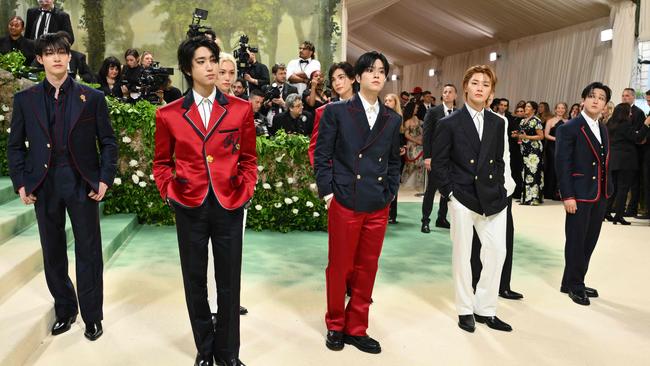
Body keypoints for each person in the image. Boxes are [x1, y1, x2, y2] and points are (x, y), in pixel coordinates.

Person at [7, 32, 117, 341]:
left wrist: (104, 178)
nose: (57, 57)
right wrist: (20, 182)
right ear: (40, 59)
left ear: (69, 56)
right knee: (53, 252)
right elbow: (15, 146)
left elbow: (108, 142)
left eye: (62, 52)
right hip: (44, 183)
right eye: (50, 53)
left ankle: (93, 316)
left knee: (89, 251)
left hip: (81, 182)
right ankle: (66, 309)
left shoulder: (92, 98)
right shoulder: (25, 100)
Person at [153, 36, 256, 366]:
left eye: (213, 59)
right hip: (188, 205)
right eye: (201, 61)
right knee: (194, 281)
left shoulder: (240, 109)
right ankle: (204, 348)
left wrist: (246, 189)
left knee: (229, 283)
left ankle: (228, 354)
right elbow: (160, 163)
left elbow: (250, 159)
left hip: (229, 205)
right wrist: (170, 192)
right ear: (187, 68)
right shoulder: (168, 114)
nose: (211, 66)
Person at [314, 51, 401, 354]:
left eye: (382, 71)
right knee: (339, 267)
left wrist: (389, 193)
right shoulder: (337, 112)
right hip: (345, 201)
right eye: (370, 70)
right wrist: (328, 194)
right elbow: (322, 155)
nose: (377, 75)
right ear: (359, 76)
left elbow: (393, 162)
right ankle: (336, 324)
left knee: (368, 268)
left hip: (377, 203)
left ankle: (357, 327)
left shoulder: (392, 118)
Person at [431, 64, 511, 333]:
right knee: (463, 254)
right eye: (475, 83)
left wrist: (500, 187)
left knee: (497, 251)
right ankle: (465, 309)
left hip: (493, 198)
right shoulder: (448, 123)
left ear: (492, 91)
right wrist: (451, 194)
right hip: (463, 196)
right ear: (465, 87)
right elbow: (440, 164)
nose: (480, 88)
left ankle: (485, 308)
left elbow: (499, 160)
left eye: (486, 85)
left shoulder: (498, 123)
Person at [556, 82, 613, 306]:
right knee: (576, 240)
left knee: (589, 240)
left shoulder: (603, 128)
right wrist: (567, 195)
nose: (596, 100)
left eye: (601, 98)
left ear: (605, 105)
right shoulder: (569, 128)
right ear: (583, 100)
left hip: (599, 194)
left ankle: (570, 280)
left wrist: (609, 190)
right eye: (591, 96)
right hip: (578, 194)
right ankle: (576, 284)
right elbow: (563, 164)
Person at [470, 93, 523, 301]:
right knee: (477, 239)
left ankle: (503, 284)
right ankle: (475, 282)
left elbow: (505, 155)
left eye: (488, 89)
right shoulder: (463, 119)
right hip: (475, 190)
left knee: (505, 237)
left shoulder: (502, 120)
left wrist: (507, 184)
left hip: (502, 188)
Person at [606, 103, 650, 225]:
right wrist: (646, 124)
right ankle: (619, 216)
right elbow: (638, 138)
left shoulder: (610, 123)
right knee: (623, 188)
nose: (631, 113)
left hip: (614, 159)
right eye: (629, 111)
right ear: (625, 113)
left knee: (613, 187)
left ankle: (606, 212)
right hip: (626, 160)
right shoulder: (625, 124)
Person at [421, 83, 456, 232]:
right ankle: (425, 220)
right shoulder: (433, 112)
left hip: (451, 159)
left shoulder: (458, 113)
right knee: (431, 190)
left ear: (455, 96)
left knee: (447, 189)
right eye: (445, 92)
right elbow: (427, 135)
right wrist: (427, 156)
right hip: (435, 158)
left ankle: (441, 218)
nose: (447, 94)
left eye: (450, 92)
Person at [308, 61, 356, 166]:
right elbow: (315, 148)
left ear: (352, 79)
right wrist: (324, 175)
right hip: (336, 175)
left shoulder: (367, 108)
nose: (337, 83)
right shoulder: (323, 111)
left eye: (341, 77)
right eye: (333, 79)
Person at [517, 101, 544, 205]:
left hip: (534, 150)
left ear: (534, 109)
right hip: (524, 149)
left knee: (532, 172)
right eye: (526, 106)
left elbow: (541, 136)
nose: (526, 108)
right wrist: (517, 135)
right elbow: (522, 134)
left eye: (528, 106)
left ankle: (533, 198)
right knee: (524, 172)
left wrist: (526, 137)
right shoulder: (523, 120)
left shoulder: (536, 120)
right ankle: (525, 196)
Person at [384, 93, 405, 224]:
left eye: (390, 100)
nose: (386, 102)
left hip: (396, 157)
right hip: (384, 156)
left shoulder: (398, 118)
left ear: (395, 103)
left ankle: (392, 214)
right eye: (385, 100)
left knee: (394, 184)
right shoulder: (381, 118)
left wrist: (403, 147)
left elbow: (400, 138)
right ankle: (385, 212)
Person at [543, 102, 568, 200]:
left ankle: (557, 193)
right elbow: (546, 135)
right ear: (555, 109)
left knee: (561, 169)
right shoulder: (550, 121)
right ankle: (548, 192)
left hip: (564, 148)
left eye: (563, 108)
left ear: (565, 110)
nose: (561, 110)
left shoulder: (568, 121)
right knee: (552, 168)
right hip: (552, 147)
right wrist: (557, 139)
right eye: (559, 108)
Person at [401, 102, 424, 189]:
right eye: (416, 108)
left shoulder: (416, 118)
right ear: (412, 108)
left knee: (421, 163)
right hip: (411, 145)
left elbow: (421, 130)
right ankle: (407, 182)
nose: (417, 109)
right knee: (411, 164)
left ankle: (418, 183)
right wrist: (416, 141)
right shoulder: (407, 121)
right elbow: (406, 135)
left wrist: (421, 138)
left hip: (419, 143)